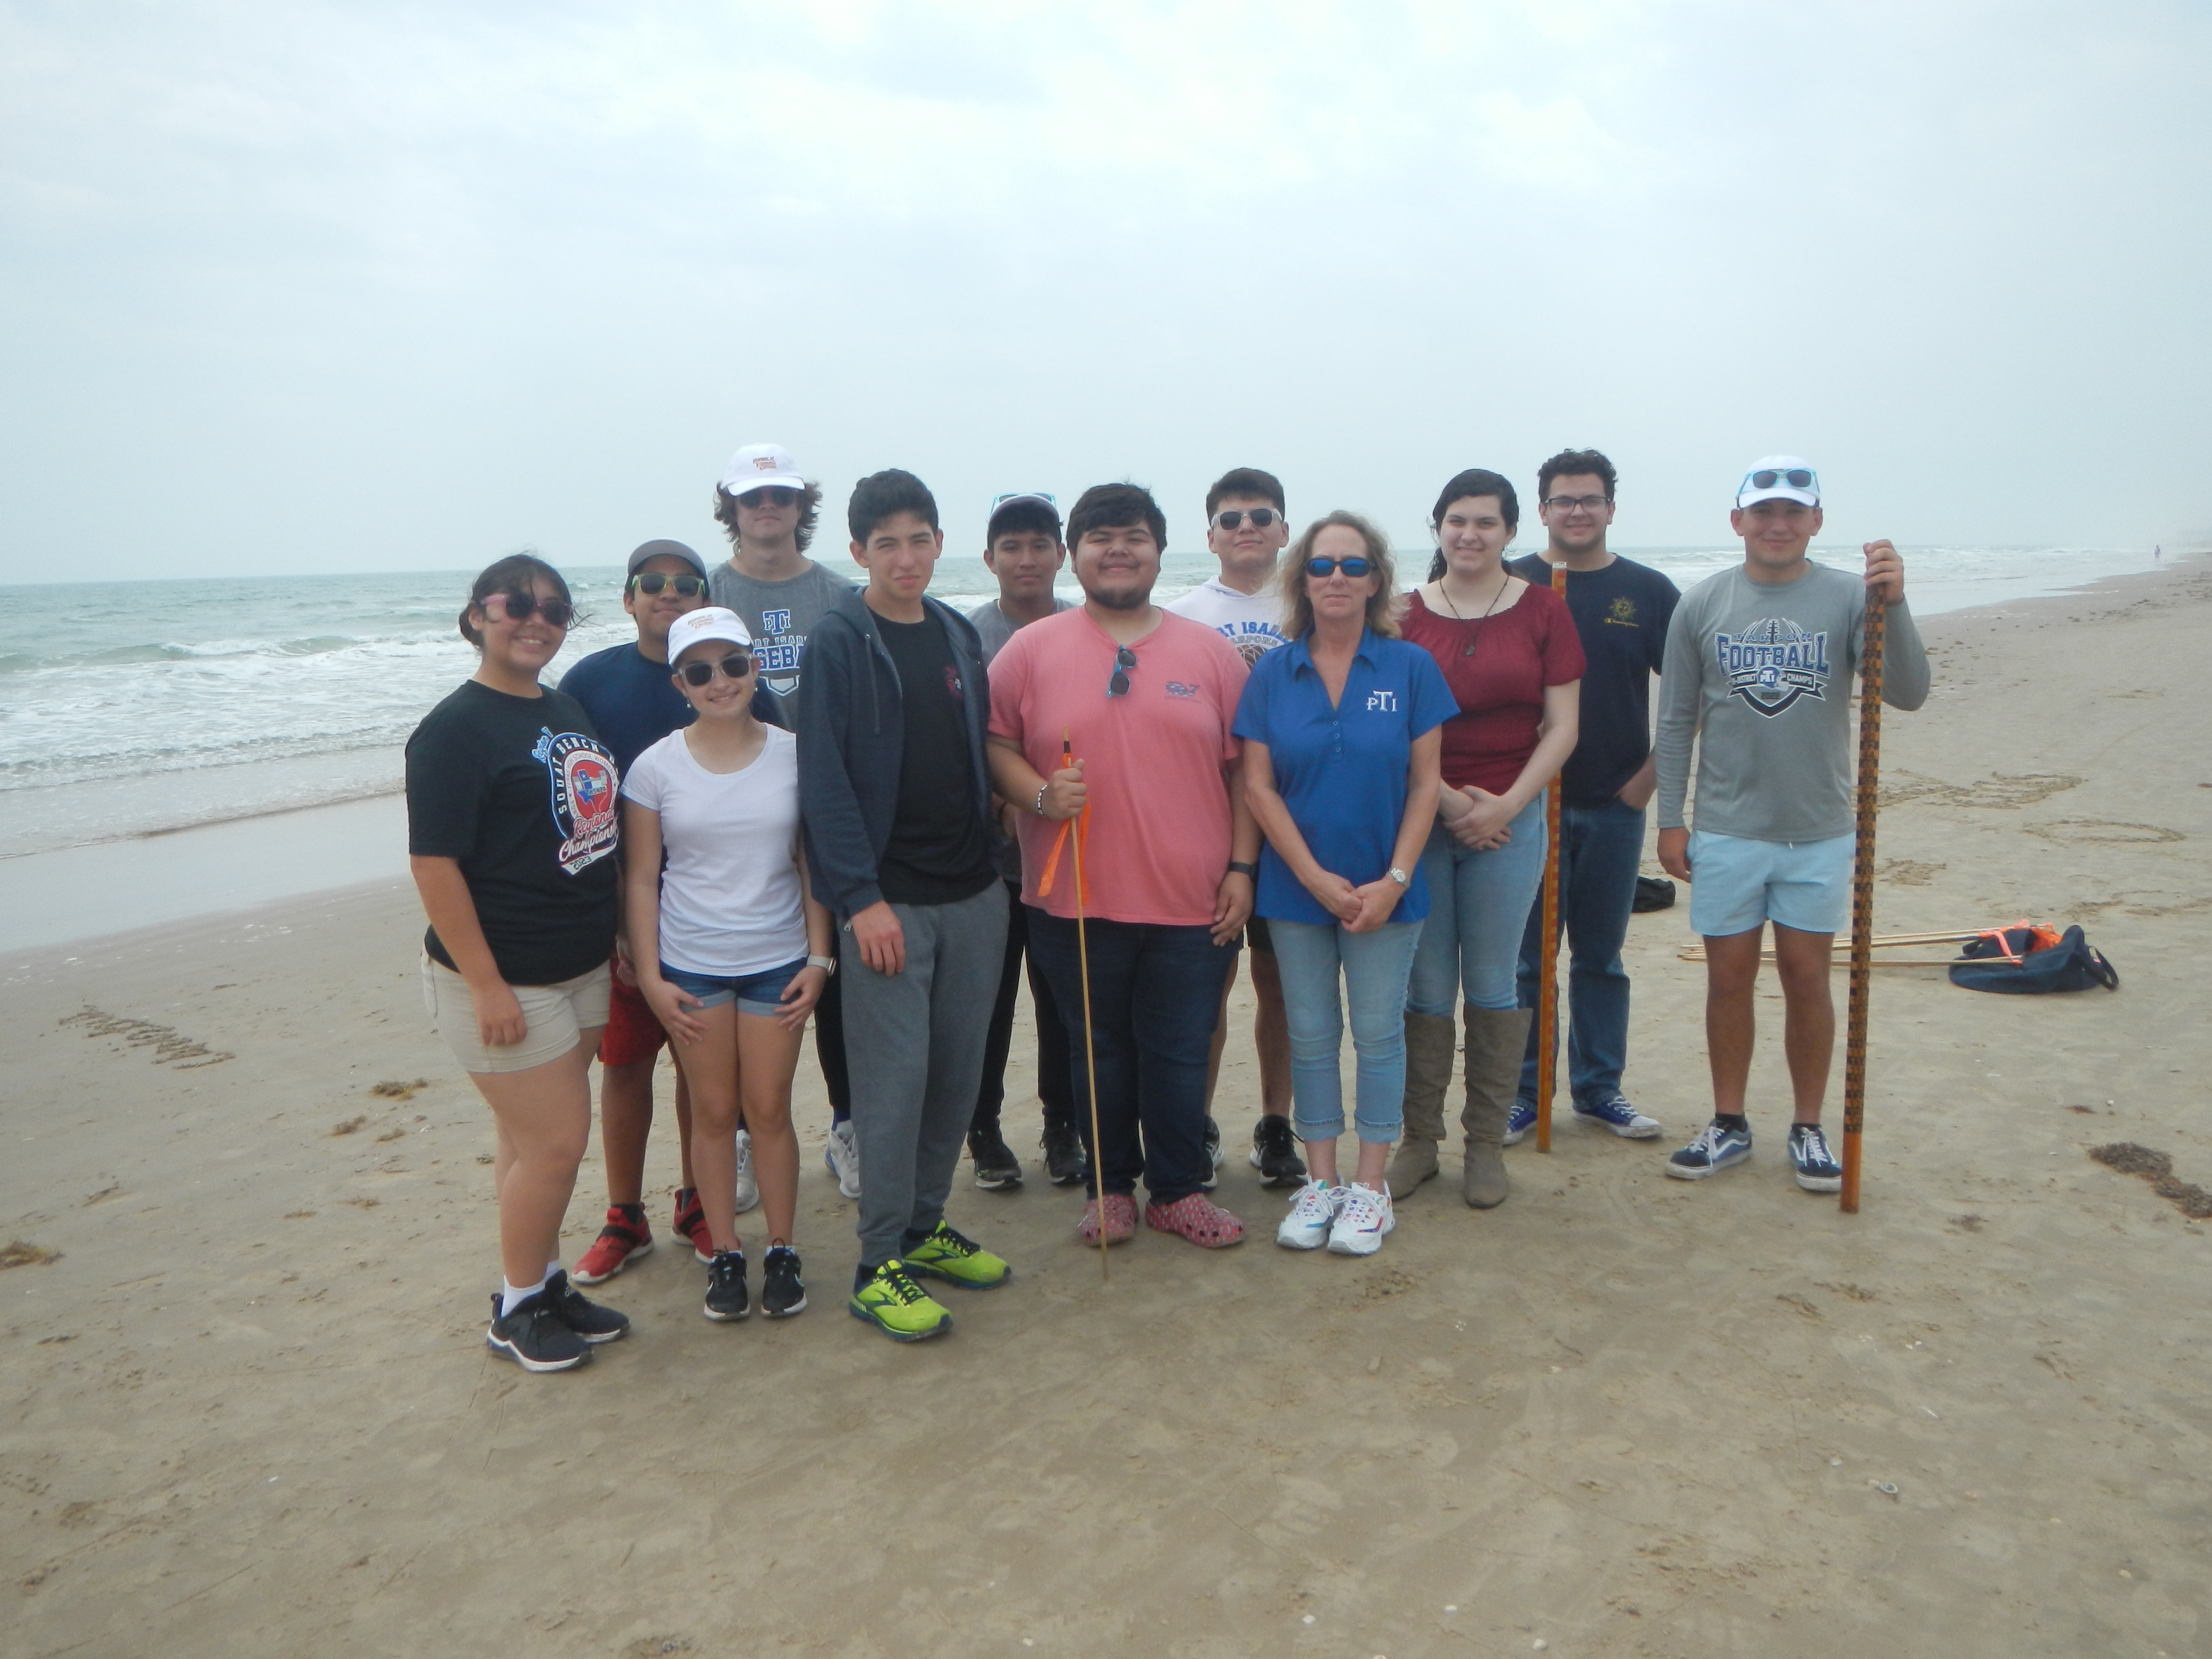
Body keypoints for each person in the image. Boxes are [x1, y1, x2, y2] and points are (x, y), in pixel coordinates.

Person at [987, 482, 1259, 1250]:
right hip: (1072, 900)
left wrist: (1242, 867)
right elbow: (995, 743)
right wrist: (1040, 797)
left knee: (1179, 1049)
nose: (1118, 549)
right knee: (1096, 1050)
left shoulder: (1208, 652)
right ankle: (1110, 1189)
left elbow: (1246, 772)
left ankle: (1177, 1189)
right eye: (1100, 537)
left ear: (1158, 550)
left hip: (1193, 897)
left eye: (1133, 536)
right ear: (1075, 554)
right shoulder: (1031, 649)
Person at [1653, 457, 1928, 1190]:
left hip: (1817, 829)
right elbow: (1677, 719)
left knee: (1809, 978)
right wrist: (1669, 819)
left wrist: (1894, 605)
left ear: (1816, 521)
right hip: (1725, 828)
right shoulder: (1703, 603)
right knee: (1728, 980)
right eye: (1763, 512)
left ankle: (1809, 1127)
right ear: (1738, 520)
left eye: (1793, 512)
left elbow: (1908, 691)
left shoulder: (1850, 597)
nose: (1778, 525)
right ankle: (1728, 1122)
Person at [798, 469, 1013, 1342]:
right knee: (894, 1087)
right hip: (890, 905)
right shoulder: (840, 640)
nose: (906, 556)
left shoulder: (959, 634)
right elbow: (825, 783)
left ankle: (925, 1230)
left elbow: (978, 758)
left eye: (919, 538)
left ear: (937, 543)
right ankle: (875, 1261)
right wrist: (860, 901)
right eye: (886, 542)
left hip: (974, 892)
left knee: (957, 1077)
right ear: (857, 554)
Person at [405, 555, 629, 1373]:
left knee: (525, 1140)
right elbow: (435, 865)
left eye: (556, 610)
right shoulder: (454, 729)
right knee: (558, 1145)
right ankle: (518, 1310)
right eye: (516, 605)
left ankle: (536, 1280)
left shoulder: (562, 704)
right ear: (476, 617)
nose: (536, 620)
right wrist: (489, 983)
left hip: (578, 964)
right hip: (501, 979)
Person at [1236, 513, 1452, 1256]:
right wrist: (1314, 878)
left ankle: (1370, 1188)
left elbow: (1427, 785)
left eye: (1353, 567)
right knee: (1311, 1036)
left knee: (1379, 1033)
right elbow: (1259, 790)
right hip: (1297, 891)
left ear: (1376, 581)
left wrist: (1392, 879)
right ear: (1301, 580)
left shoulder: (1411, 668)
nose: (1337, 579)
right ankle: (1321, 1181)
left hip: (1387, 891)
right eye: (1322, 567)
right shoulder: (1272, 670)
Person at [560, 540, 769, 1284]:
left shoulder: (736, 677)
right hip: (620, 913)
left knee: (699, 1069)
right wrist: (610, 920)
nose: (669, 593)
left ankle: (695, 1204)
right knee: (625, 1065)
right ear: (628, 598)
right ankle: (624, 1216)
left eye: (687, 584)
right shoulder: (590, 681)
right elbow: (567, 801)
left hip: (714, 921)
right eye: (653, 584)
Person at [622, 607, 833, 1321]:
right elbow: (641, 877)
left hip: (777, 961)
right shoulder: (654, 767)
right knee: (714, 1115)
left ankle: (780, 1249)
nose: (721, 682)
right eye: (702, 671)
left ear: (755, 667)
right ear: (680, 682)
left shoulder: (796, 753)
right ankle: (726, 1253)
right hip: (691, 968)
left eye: (734, 665)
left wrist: (821, 958)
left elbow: (811, 864)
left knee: (769, 1110)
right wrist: (651, 978)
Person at [1390, 470, 1583, 1209]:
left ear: (1511, 531)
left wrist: (1504, 805)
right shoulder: (1404, 615)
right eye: (1457, 521)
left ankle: (1483, 1145)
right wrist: (1445, 802)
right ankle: (1419, 1143)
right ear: (1437, 527)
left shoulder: (1543, 610)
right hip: (1422, 814)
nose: (1470, 534)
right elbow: (1393, 725)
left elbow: (1563, 725)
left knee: (1497, 981)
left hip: (1513, 814)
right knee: (1428, 984)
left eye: (1487, 522)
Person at [1505, 451, 1679, 1144]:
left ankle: (1599, 1088)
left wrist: (1645, 782)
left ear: (1610, 508)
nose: (1576, 511)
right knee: (1524, 962)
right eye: (1562, 500)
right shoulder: (1511, 583)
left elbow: (1691, 699)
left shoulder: (1646, 590)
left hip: (1613, 805)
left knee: (1600, 959)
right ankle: (1523, 1092)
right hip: (1523, 808)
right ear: (1542, 510)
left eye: (1590, 499)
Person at [708, 441, 864, 1202]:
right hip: (732, 815)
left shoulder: (840, 595)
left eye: (781, 497)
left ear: (804, 508)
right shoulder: (707, 595)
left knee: (829, 976)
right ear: (731, 508)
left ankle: (847, 1126)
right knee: (739, 979)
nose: (766, 510)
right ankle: (740, 1137)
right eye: (752, 498)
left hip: (825, 807)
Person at [1165, 467, 1302, 1190]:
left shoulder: (1314, 601)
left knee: (1280, 986)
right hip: (1211, 828)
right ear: (1210, 534)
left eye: (1261, 516)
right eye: (1231, 518)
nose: (1246, 528)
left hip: (1298, 827)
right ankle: (1198, 1121)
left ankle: (1276, 1123)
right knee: (1205, 989)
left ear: (1284, 530)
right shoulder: (1184, 615)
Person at [966, 492, 1084, 1191]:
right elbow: (961, 742)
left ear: (1060, 554)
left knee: (1064, 1001)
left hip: (1068, 855)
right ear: (988, 559)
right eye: (1011, 547)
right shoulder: (965, 634)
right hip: (988, 861)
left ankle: (1062, 1125)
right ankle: (982, 1128)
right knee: (989, 1000)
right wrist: (1002, 800)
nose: (1027, 559)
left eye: (1040, 544)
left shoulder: (1085, 627)